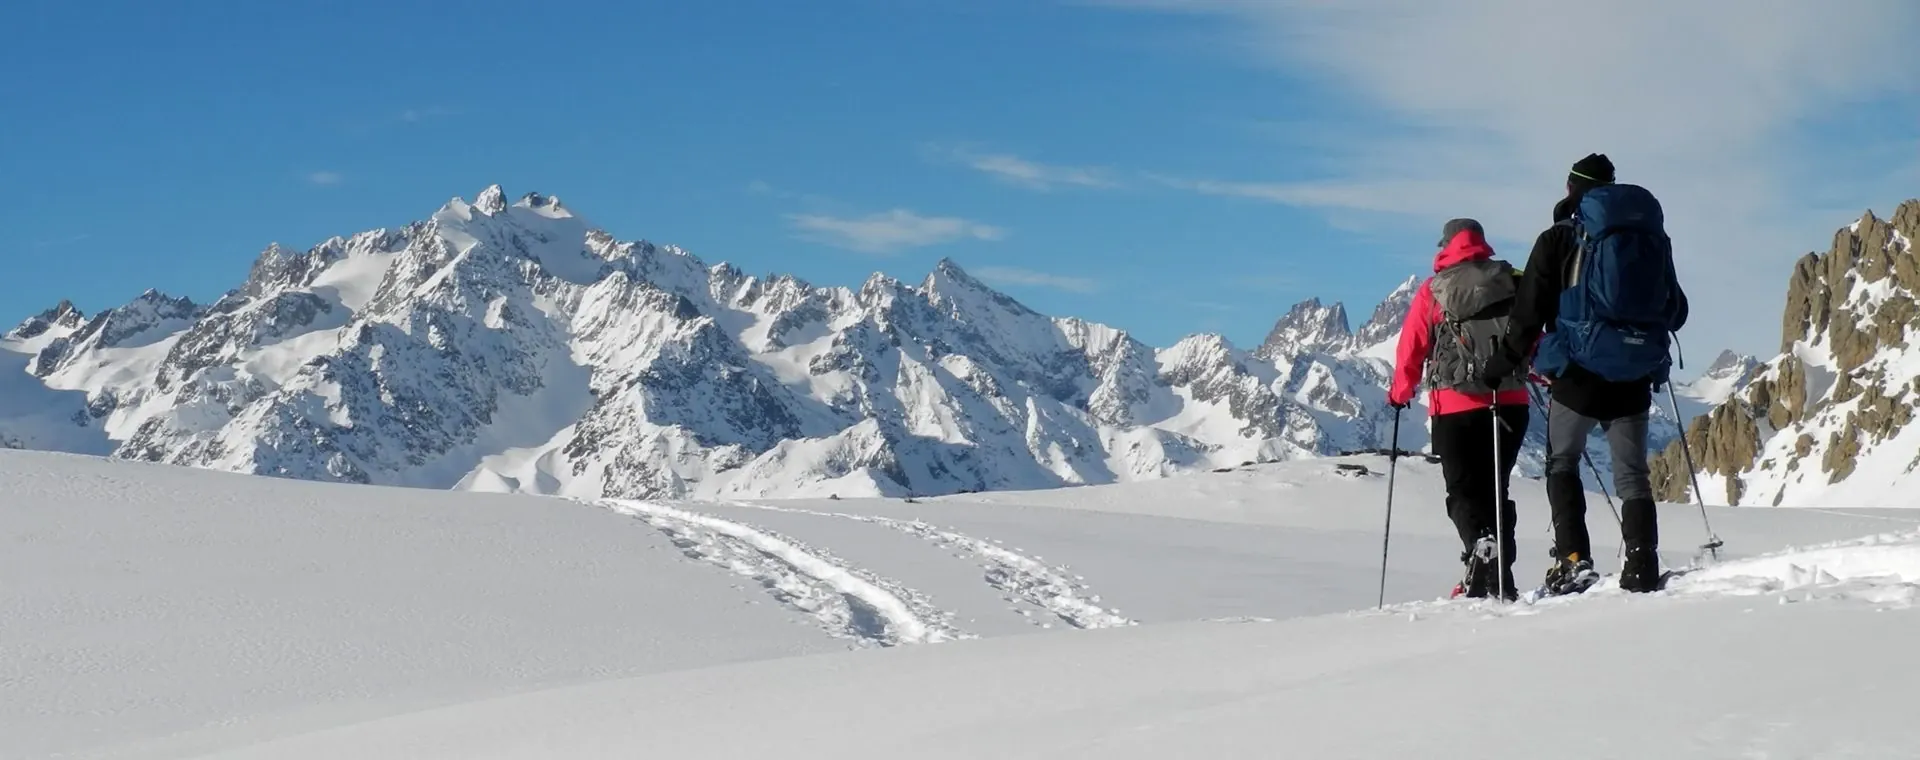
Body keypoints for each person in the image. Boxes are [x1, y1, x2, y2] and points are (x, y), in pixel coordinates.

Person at [1479, 153, 1689, 595]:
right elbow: (1678, 310)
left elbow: (1529, 312)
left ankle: (1573, 559)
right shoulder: (1646, 238)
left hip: (1578, 372)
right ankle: (1641, 562)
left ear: (1572, 189)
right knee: (1632, 473)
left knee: (1562, 461)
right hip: (1635, 372)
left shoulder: (1560, 238)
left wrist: (1502, 364)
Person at [1387, 217, 1532, 600]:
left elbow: (1412, 348)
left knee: (1462, 490)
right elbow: (1532, 334)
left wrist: (1400, 392)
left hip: (1454, 406)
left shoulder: (1433, 291)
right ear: (1483, 244)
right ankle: (1502, 580)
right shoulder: (1512, 280)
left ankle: (1478, 544)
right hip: (1510, 401)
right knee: (1496, 490)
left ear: (1446, 246)